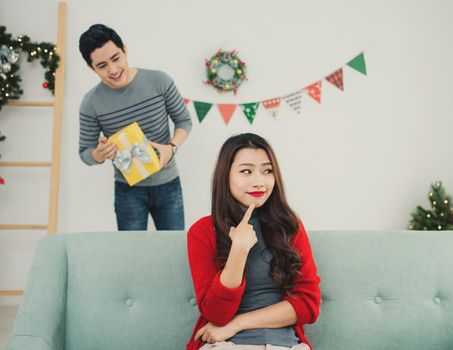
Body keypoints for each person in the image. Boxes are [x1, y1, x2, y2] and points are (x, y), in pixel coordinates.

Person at [186, 133, 321, 350]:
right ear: (226, 175)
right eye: (246, 171)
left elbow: (308, 305)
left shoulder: (290, 225)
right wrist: (238, 250)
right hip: (226, 345)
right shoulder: (202, 232)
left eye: (267, 171)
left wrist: (238, 324)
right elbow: (215, 314)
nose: (259, 181)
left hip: (285, 345)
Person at [78, 24, 192, 230]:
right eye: (102, 66)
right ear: (91, 68)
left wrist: (171, 147)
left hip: (169, 184)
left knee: (172, 252)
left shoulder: (159, 81)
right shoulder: (90, 103)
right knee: (131, 256)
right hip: (127, 191)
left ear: (125, 50)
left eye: (116, 58)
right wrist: (99, 154)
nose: (113, 70)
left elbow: (184, 121)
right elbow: (85, 153)